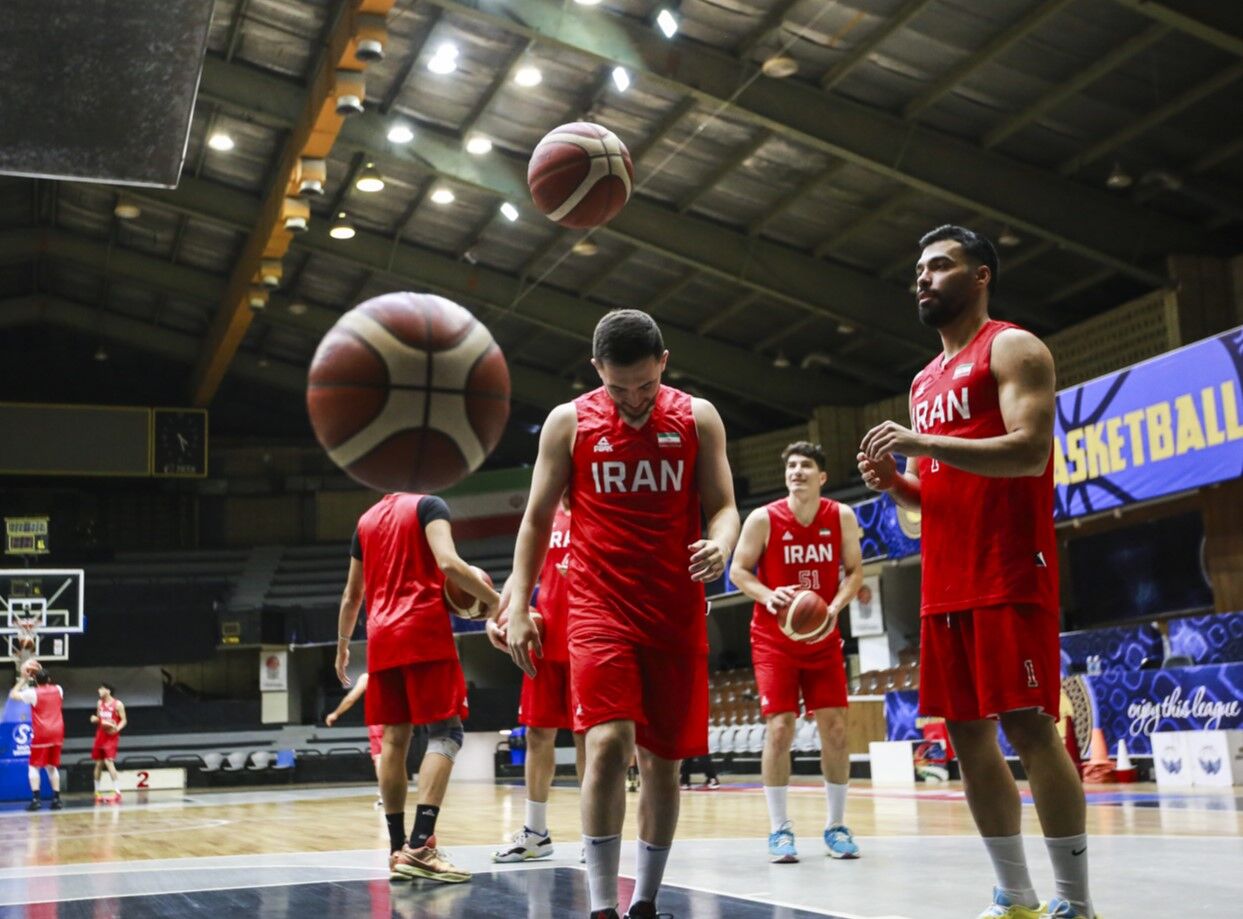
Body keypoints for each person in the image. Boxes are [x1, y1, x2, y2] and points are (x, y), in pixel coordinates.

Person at [858, 225, 1097, 919]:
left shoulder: (1013, 347)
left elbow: (1026, 452)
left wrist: (919, 441)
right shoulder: (922, 380)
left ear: (981, 275)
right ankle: (1014, 895)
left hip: (1007, 569)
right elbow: (941, 492)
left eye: (940, 265)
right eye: (918, 269)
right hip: (946, 576)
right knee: (965, 735)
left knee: (1027, 727)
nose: (923, 278)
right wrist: (898, 485)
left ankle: (1075, 901)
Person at [501, 308, 740, 919]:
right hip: (598, 607)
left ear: (664, 362)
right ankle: (603, 904)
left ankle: (648, 901)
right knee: (607, 744)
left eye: (645, 385)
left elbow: (725, 508)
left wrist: (722, 542)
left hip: (675, 608)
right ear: (595, 371)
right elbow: (534, 520)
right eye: (618, 387)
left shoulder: (698, 417)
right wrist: (520, 603)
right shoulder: (569, 422)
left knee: (663, 760)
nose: (633, 400)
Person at [335, 492, 500, 884]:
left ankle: (398, 851)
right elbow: (449, 564)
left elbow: (351, 595)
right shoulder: (429, 505)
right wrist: (497, 603)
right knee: (447, 732)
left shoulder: (365, 520)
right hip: (423, 631)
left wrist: (343, 646)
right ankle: (422, 845)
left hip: (381, 639)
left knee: (393, 741)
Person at [730, 441, 864, 863]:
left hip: (823, 638)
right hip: (774, 641)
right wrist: (768, 595)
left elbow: (855, 570)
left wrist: (836, 605)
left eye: (806, 466)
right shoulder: (764, 518)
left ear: (822, 477)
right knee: (780, 729)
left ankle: (837, 825)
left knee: (836, 729)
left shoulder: (840, 516)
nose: (797, 472)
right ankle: (779, 829)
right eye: (791, 465)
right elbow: (738, 570)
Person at [487, 498, 587, 863]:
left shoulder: (598, 507)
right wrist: (497, 617)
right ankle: (535, 832)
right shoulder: (546, 517)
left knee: (586, 738)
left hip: (588, 639)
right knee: (536, 734)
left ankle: (594, 835)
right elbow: (521, 570)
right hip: (543, 643)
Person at [325, 672, 386, 808]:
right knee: (396, 760)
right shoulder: (396, 674)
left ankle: (384, 796)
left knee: (380, 759)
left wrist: (336, 713)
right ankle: (395, 795)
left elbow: (351, 699)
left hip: (378, 722)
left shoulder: (367, 677)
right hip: (398, 720)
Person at [10, 668, 63, 811]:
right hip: (58, 731)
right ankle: (57, 799)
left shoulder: (33, 693)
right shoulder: (59, 689)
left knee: (34, 766)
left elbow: (13, 695)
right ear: (49, 679)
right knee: (52, 766)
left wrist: (23, 679)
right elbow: (46, 680)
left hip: (43, 732)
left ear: (35, 680)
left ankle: (36, 800)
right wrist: (40, 670)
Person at [90, 682, 127, 804]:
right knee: (98, 764)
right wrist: (95, 719)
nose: (98, 690)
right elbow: (99, 718)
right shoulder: (99, 703)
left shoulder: (118, 704)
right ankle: (97, 792)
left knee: (108, 761)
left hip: (111, 737)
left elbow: (124, 720)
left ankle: (117, 792)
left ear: (108, 691)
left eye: (101, 689)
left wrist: (117, 728)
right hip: (100, 736)